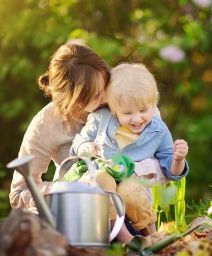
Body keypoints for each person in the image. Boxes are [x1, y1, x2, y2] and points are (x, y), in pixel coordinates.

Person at [9, 43, 165, 245]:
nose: (107, 97)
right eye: (96, 94)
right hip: (81, 222)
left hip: (135, 215)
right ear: (71, 99)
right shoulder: (47, 122)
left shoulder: (128, 99)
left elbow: (164, 161)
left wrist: (130, 172)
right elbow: (19, 192)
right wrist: (67, 191)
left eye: (106, 84)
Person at [70, 63, 190, 242]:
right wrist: (85, 147)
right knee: (103, 178)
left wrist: (178, 159)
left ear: (153, 103)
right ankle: (120, 236)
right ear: (113, 107)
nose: (136, 118)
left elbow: (170, 171)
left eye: (143, 110)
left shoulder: (158, 131)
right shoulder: (102, 118)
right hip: (101, 177)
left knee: (130, 188)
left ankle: (152, 236)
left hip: (130, 182)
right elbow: (78, 142)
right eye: (127, 113)